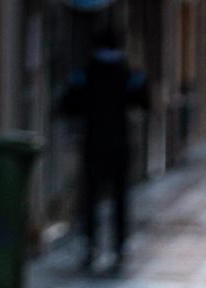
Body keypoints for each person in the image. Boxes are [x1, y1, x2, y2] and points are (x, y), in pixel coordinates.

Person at [61, 25, 149, 270]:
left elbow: (68, 105)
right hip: (120, 142)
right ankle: (119, 245)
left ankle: (90, 244)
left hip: (93, 142)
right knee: (120, 196)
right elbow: (143, 102)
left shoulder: (86, 73)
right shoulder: (128, 73)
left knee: (90, 196)